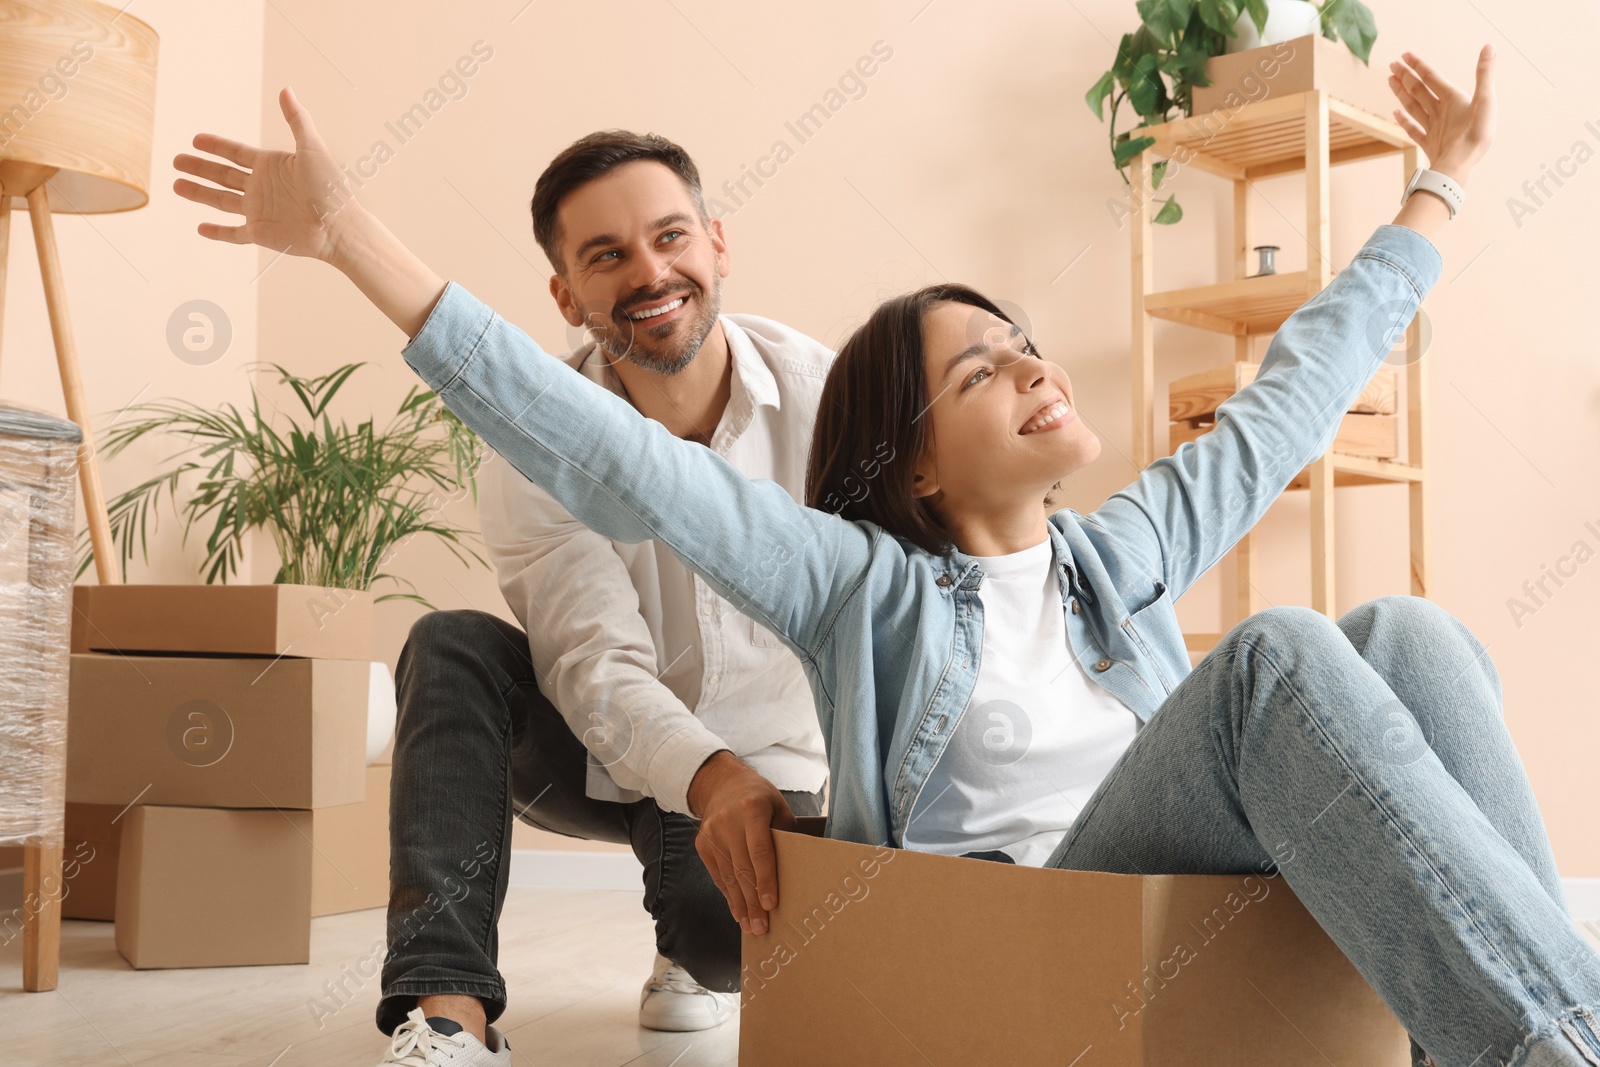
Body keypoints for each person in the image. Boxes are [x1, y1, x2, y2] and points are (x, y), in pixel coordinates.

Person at [176, 42, 1600, 1067]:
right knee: (1280, 651)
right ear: (915, 460)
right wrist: (351, 237)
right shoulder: (859, 583)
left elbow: (1299, 386)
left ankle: (1541, 1029)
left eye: (1023, 346)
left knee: (1410, 631)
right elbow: (606, 452)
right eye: (983, 371)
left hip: (1184, 877)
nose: (1035, 370)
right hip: (1031, 917)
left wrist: (1447, 185)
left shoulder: (1122, 552)